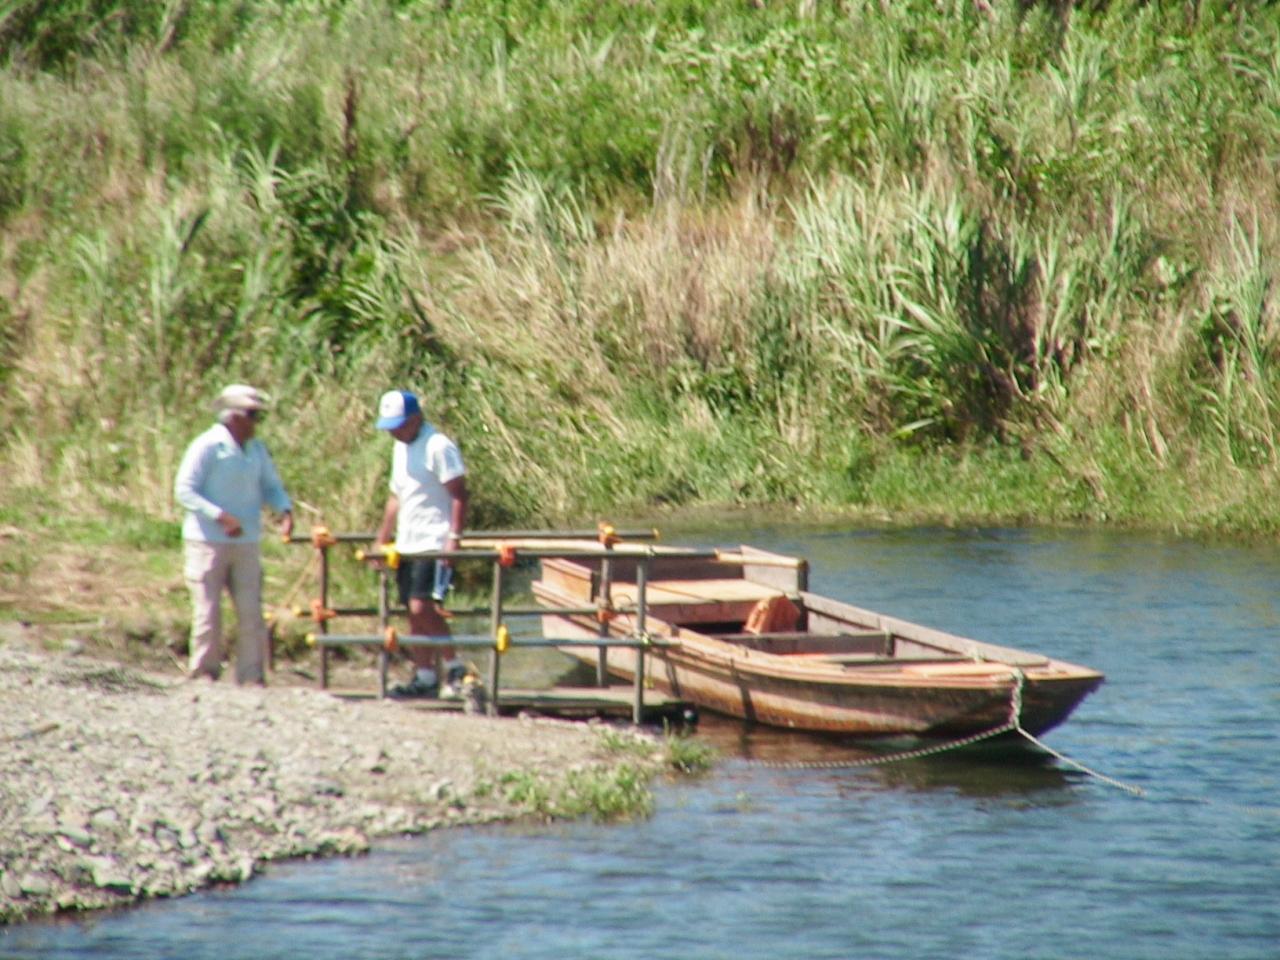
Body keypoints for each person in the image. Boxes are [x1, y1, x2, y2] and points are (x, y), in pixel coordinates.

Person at [174, 384, 293, 684]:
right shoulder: (207, 446)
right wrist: (219, 515)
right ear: (234, 417)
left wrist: (284, 509)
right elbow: (185, 490)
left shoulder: (257, 450)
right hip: (206, 541)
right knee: (207, 610)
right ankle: (204, 670)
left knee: (251, 610)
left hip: (246, 540)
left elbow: (271, 485)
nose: (256, 422)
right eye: (252, 415)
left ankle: (252, 674)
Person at [374, 389, 469, 697]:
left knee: (423, 605)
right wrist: (382, 539)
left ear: (415, 419)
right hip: (408, 542)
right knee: (412, 612)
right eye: (390, 427)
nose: (394, 432)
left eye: (399, 426)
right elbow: (395, 496)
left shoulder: (438, 446)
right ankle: (425, 675)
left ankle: (454, 667)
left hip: (434, 539)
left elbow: (459, 494)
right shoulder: (399, 448)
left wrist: (454, 539)